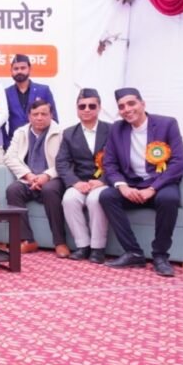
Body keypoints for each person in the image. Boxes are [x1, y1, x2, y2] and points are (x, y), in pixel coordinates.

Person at [99, 88, 183, 277]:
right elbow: (109, 163)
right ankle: (133, 252)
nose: (127, 109)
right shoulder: (117, 128)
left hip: (160, 184)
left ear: (142, 103)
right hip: (132, 184)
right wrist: (122, 186)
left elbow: (180, 161)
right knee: (107, 196)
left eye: (131, 103)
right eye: (121, 106)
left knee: (169, 199)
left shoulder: (167, 124)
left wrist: (153, 188)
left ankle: (160, 256)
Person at [4, 99, 68, 257]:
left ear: (51, 115)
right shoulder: (20, 133)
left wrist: (47, 175)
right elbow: (9, 157)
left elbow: (65, 161)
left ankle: (60, 242)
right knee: (13, 190)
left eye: (44, 114)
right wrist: (28, 175)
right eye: (35, 114)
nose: (39, 118)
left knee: (49, 190)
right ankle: (27, 240)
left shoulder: (62, 133)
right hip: (29, 178)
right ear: (29, 116)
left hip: (53, 179)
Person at [56, 88, 111, 263]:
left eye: (91, 106)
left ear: (99, 108)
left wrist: (103, 181)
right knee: (69, 199)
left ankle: (97, 248)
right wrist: (75, 182)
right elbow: (62, 162)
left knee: (95, 200)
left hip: (104, 182)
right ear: (77, 109)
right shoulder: (69, 133)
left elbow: (121, 160)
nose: (86, 109)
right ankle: (83, 245)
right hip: (80, 182)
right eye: (82, 106)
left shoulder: (112, 130)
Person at [4, 54, 57, 149]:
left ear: (29, 69)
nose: (19, 71)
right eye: (16, 69)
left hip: (42, 144)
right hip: (16, 144)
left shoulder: (43, 90)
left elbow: (53, 118)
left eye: (23, 68)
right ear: (11, 71)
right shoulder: (6, 93)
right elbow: (2, 123)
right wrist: (7, 144)